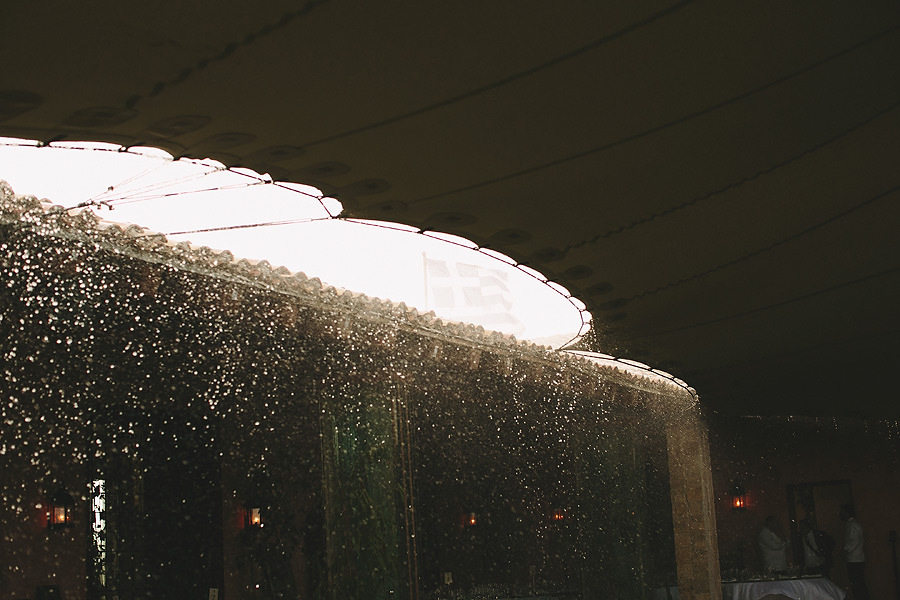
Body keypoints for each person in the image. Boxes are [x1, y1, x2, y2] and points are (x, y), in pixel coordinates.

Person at [840, 504, 869, 599]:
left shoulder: (853, 525)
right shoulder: (851, 524)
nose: (840, 514)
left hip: (855, 560)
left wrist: (844, 549)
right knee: (857, 584)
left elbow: (853, 541)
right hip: (854, 559)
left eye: (842, 512)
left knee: (857, 584)